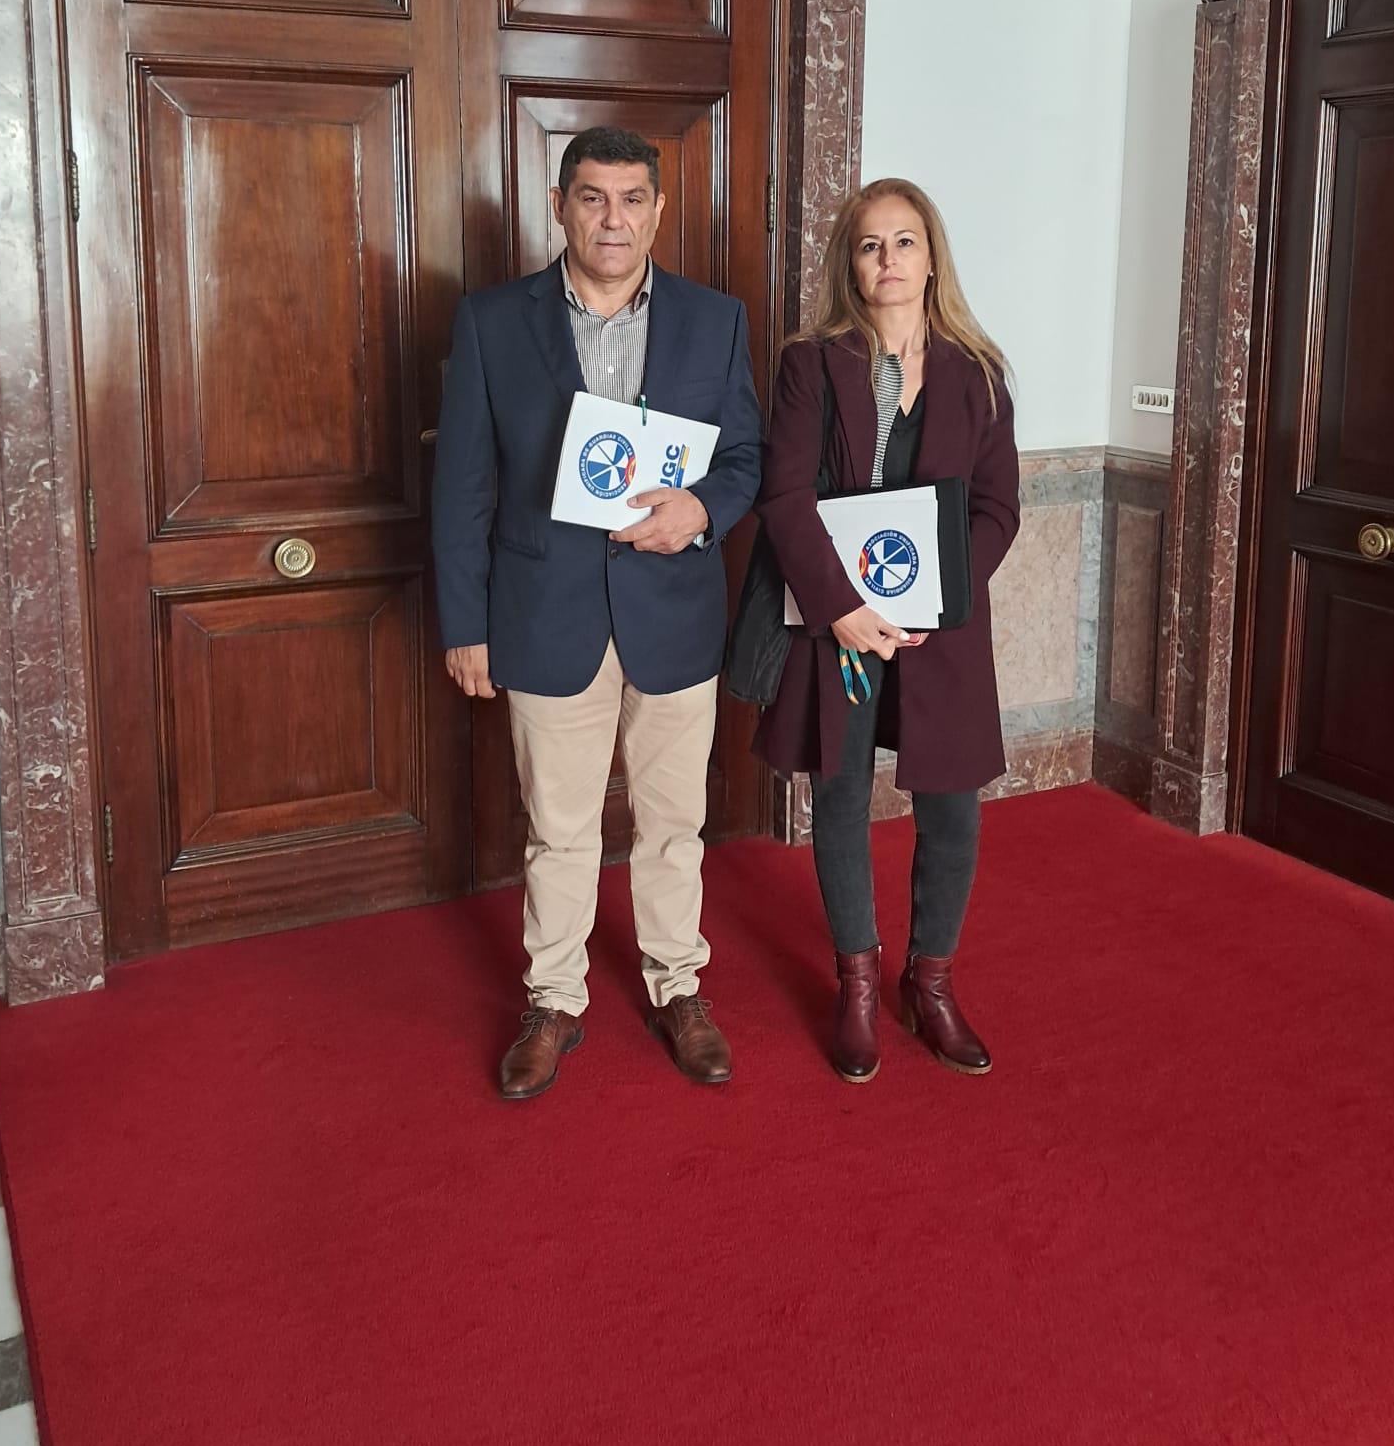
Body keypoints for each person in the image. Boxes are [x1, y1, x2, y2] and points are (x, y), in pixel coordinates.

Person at [433, 127, 762, 1100]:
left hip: (675, 614)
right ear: (560, 206)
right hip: (544, 615)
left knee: (673, 824)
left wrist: (702, 511)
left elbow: (745, 458)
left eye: (631, 198)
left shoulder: (716, 321)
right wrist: (465, 624)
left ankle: (678, 987)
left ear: (658, 210)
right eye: (592, 197)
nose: (613, 218)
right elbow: (463, 487)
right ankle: (555, 1001)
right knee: (560, 830)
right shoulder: (493, 323)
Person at [753, 178, 1019, 1083]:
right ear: (851, 264)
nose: (889, 259)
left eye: (905, 241)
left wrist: (939, 596)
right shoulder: (811, 364)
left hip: (940, 630)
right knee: (839, 795)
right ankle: (859, 985)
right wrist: (841, 608)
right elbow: (785, 496)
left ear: (931, 257)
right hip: (839, 621)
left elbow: (997, 507)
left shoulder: (978, 373)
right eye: (870, 245)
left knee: (952, 806)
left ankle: (930, 983)